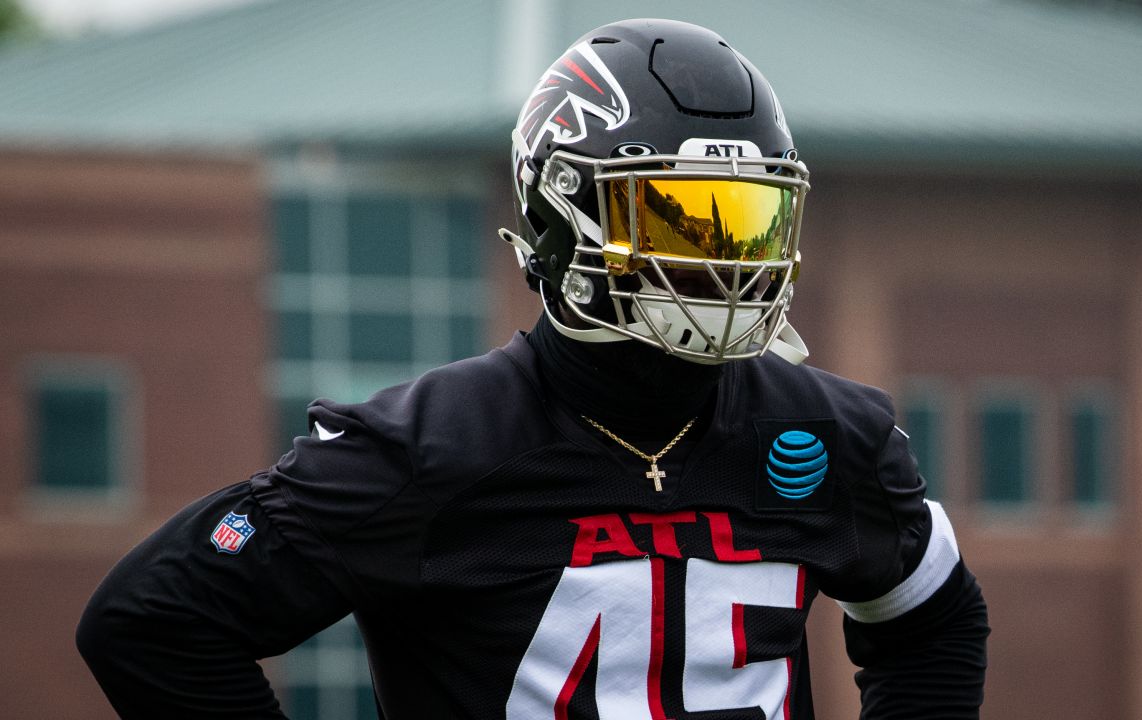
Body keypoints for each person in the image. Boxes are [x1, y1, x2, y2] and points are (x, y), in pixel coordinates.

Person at [77, 18, 988, 719]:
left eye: (749, 222)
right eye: (681, 218)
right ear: (562, 219)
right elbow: (153, 624)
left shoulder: (828, 433)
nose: (725, 261)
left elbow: (935, 622)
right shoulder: (430, 447)